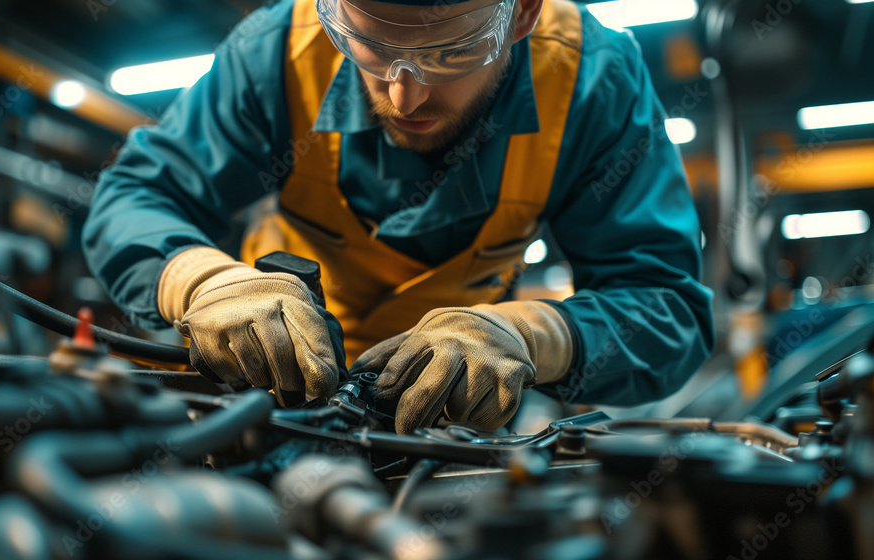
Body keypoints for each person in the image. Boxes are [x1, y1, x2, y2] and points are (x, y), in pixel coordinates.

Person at [83, 0, 715, 434]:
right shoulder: (279, 51)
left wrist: (532, 336)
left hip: (454, 416)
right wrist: (206, 281)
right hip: (264, 385)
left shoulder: (592, 81)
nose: (404, 93)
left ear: (520, 12)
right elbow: (137, 194)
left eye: (451, 51)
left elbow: (665, 305)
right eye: (372, 43)